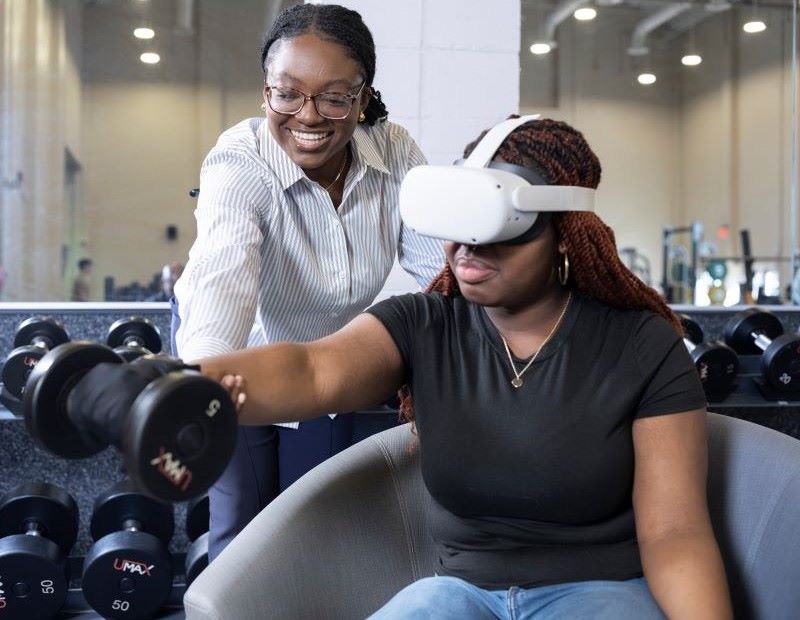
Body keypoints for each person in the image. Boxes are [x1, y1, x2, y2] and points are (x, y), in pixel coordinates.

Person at [199, 117, 732, 618]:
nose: (469, 245)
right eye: (460, 218)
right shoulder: (425, 323)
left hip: (599, 592)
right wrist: (184, 389)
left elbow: (675, 532)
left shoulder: (639, 344)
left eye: (499, 222)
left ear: (565, 232)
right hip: (461, 593)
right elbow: (312, 370)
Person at [172, 3, 444, 561]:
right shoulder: (239, 163)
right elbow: (225, 275)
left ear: (363, 97)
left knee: (311, 517)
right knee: (242, 528)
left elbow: (440, 267)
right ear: (265, 92)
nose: (308, 115)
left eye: (334, 96)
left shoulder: (395, 153)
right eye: (288, 93)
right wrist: (208, 376)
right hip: (236, 347)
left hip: (323, 353)